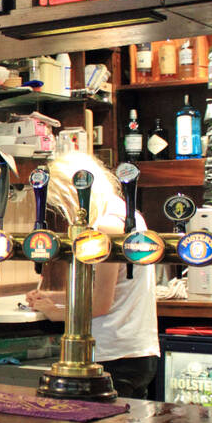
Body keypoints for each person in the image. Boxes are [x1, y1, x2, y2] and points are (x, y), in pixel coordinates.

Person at [23, 151, 160, 399]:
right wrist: (53, 295)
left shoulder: (107, 226)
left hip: (114, 353)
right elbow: (111, 286)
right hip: (137, 351)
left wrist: (54, 313)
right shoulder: (129, 214)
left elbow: (100, 304)